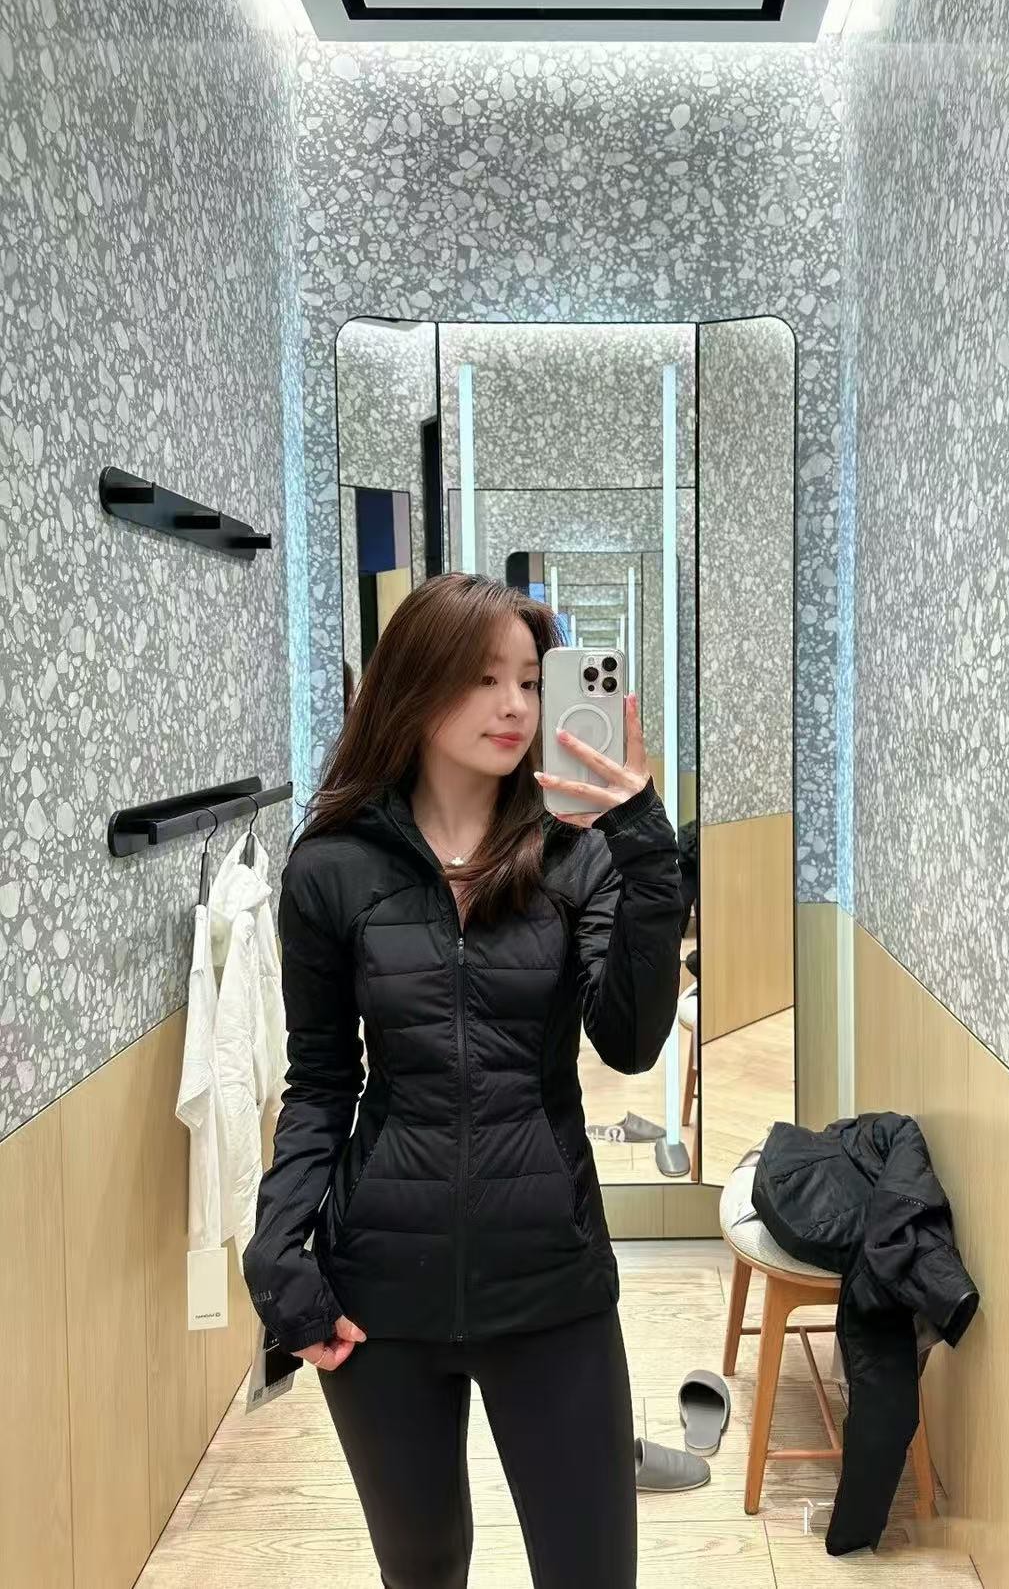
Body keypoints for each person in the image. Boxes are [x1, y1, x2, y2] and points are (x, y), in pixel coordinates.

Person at [242, 571, 685, 1589]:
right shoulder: (332, 868)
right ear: (415, 682)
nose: (515, 705)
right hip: (379, 1293)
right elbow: (321, 1081)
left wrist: (646, 852)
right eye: (484, 678)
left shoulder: (576, 856)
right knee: (424, 1570)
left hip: (550, 1278)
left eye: (530, 679)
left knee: (591, 1574)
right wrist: (277, 1247)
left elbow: (629, 1042)